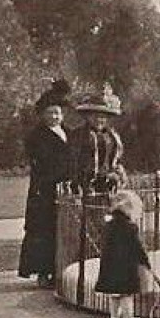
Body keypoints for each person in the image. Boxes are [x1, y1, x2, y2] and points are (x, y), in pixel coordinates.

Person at [17, 80, 74, 286]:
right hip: (45, 188)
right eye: (50, 113)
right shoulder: (37, 136)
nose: (54, 116)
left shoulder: (69, 132)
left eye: (57, 112)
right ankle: (43, 272)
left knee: (64, 228)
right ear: (43, 115)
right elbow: (43, 163)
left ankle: (61, 269)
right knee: (44, 229)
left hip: (66, 188)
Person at [69, 85, 127, 263]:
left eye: (104, 116)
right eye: (96, 115)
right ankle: (87, 262)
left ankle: (105, 261)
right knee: (89, 226)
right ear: (88, 116)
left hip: (108, 186)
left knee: (108, 224)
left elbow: (115, 159)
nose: (100, 119)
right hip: (87, 185)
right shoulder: (79, 135)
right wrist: (76, 184)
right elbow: (73, 162)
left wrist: (117, 172)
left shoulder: (112, 135)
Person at [94, 189, 151, 318]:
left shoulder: (109, 225)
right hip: (125, 264)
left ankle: (114, 317)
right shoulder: (131, 227)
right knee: (126, 293)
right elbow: (137, 246)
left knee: (115, 293)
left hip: (110, 263)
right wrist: (145, 261)